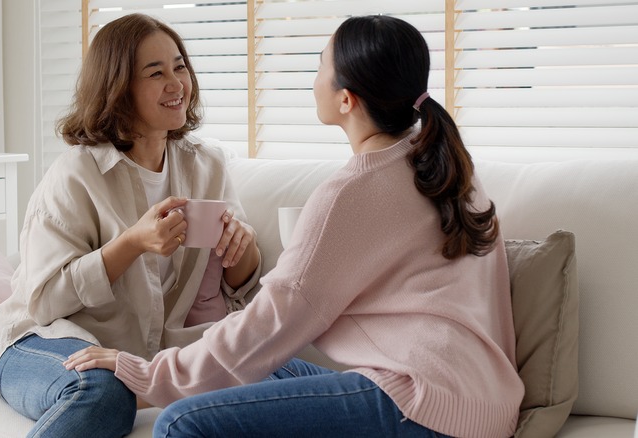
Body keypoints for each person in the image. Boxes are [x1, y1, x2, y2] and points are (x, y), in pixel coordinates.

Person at [64, 15, 524, 438]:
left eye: (321, 65)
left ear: (346, 99)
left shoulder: (353, 192)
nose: (313, 78)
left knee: (181, 423)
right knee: (265, 369)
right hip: (486, 405)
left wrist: (147, 374)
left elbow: (272, 319)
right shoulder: (449, 167)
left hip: (423, 407)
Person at [0, 13, 261, 438]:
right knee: (103, 393)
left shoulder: (207, 165)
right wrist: (132, 243)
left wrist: (242, 246)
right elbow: (44, 301)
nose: (176, 84)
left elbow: (239, 285)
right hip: (44, 340)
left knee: (269, 372)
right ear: (118, 89)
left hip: (135, 356)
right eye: (156, 73)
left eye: (180, 67)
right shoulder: (76, 174)